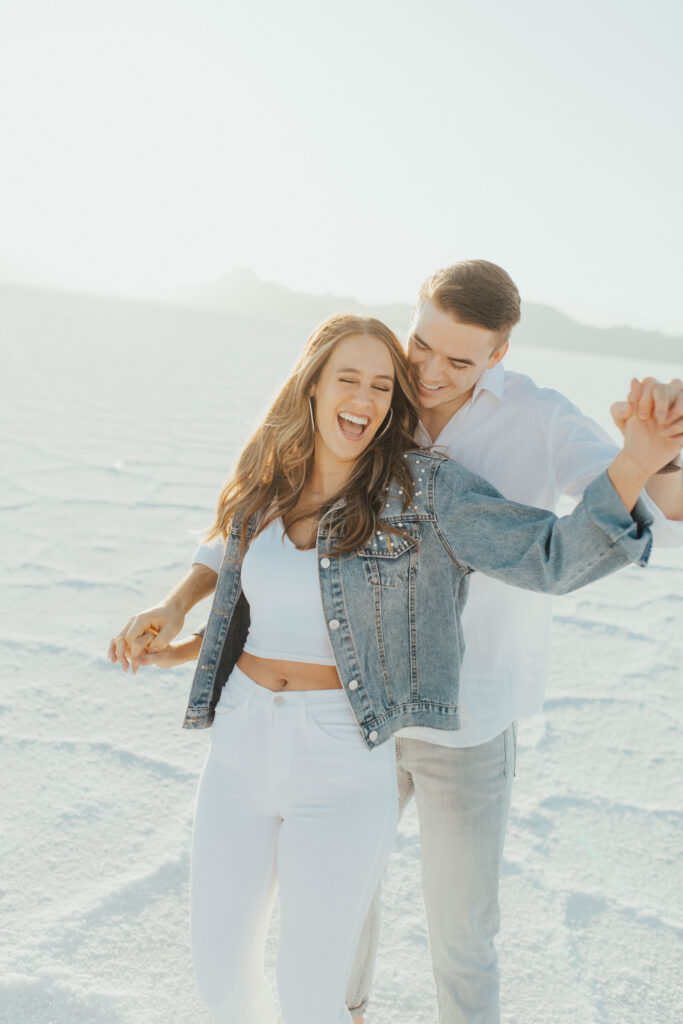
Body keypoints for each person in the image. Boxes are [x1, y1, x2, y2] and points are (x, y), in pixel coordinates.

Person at [110, 310, 677, 1024]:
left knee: (312, 992)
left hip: (341, 762)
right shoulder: (271, 476)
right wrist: (178, 619)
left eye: (382, 385)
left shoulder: (427, 490)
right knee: (221, 982)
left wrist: (635, 460)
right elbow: (245, 573)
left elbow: (550, 556)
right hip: (239, 746)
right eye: (348, 378)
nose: (367, 398)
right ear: (311, 386)